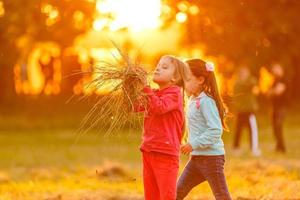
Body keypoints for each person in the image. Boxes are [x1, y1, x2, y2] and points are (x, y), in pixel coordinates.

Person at [177, 59, 231, 200]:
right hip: (196, 159)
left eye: (187, 79)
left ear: (200, 79)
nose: (184, 84)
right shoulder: (192, 100)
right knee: (176, 193)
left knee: (222, 196)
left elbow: (215, 130)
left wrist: (193, 144)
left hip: (211, 159)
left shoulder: (206, 101)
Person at [135, 55, 187, 200]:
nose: (158, 68)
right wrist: (131, 85)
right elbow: (133, 106)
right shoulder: (154, 94)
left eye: (164, 67)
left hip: (166, 153)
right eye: (158, 65)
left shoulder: (175, 94)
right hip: (148, 150)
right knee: (151, 196)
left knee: (166, 196)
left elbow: (158, 107)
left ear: (175, 78)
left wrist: (145, 87)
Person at [233, 65, 261, 156]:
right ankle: (236, 148)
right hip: (241, 110)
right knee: (238, 131)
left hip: (249, 111)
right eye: (243, 73)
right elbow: (248, 86)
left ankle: (253, 149)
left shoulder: (250, 81)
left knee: (252, 130)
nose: (244, 74)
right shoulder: (238, 84)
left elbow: (254, 83)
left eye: (246, 72)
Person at [268, 63, 288, 153]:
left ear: (281, 69)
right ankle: (278, 146)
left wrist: (271, 91)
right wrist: (271, 91)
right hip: (274, 107)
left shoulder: (284, 79)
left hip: (282, 107)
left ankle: (282, 147)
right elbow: (269, 93)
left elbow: (278, 91)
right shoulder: (274, 80)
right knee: (274, 127)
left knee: (278, 125)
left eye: (277, 68)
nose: (275, 70)